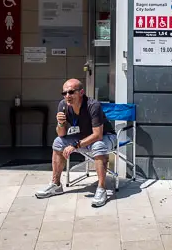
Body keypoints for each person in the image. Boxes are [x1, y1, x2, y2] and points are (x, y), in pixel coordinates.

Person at [35, 78, 116, 207]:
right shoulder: (63, 105)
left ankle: (101, 189)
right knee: (58, 142)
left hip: (106, 137)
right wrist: (60, 123)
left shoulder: (93, 105)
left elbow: (98, 135)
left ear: (81, 92)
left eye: (71, 92)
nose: (67, 96)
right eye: (64, 93)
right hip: (82, 136)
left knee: (98, 146)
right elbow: (61, 134)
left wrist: (75, 145)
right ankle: (56, 185)